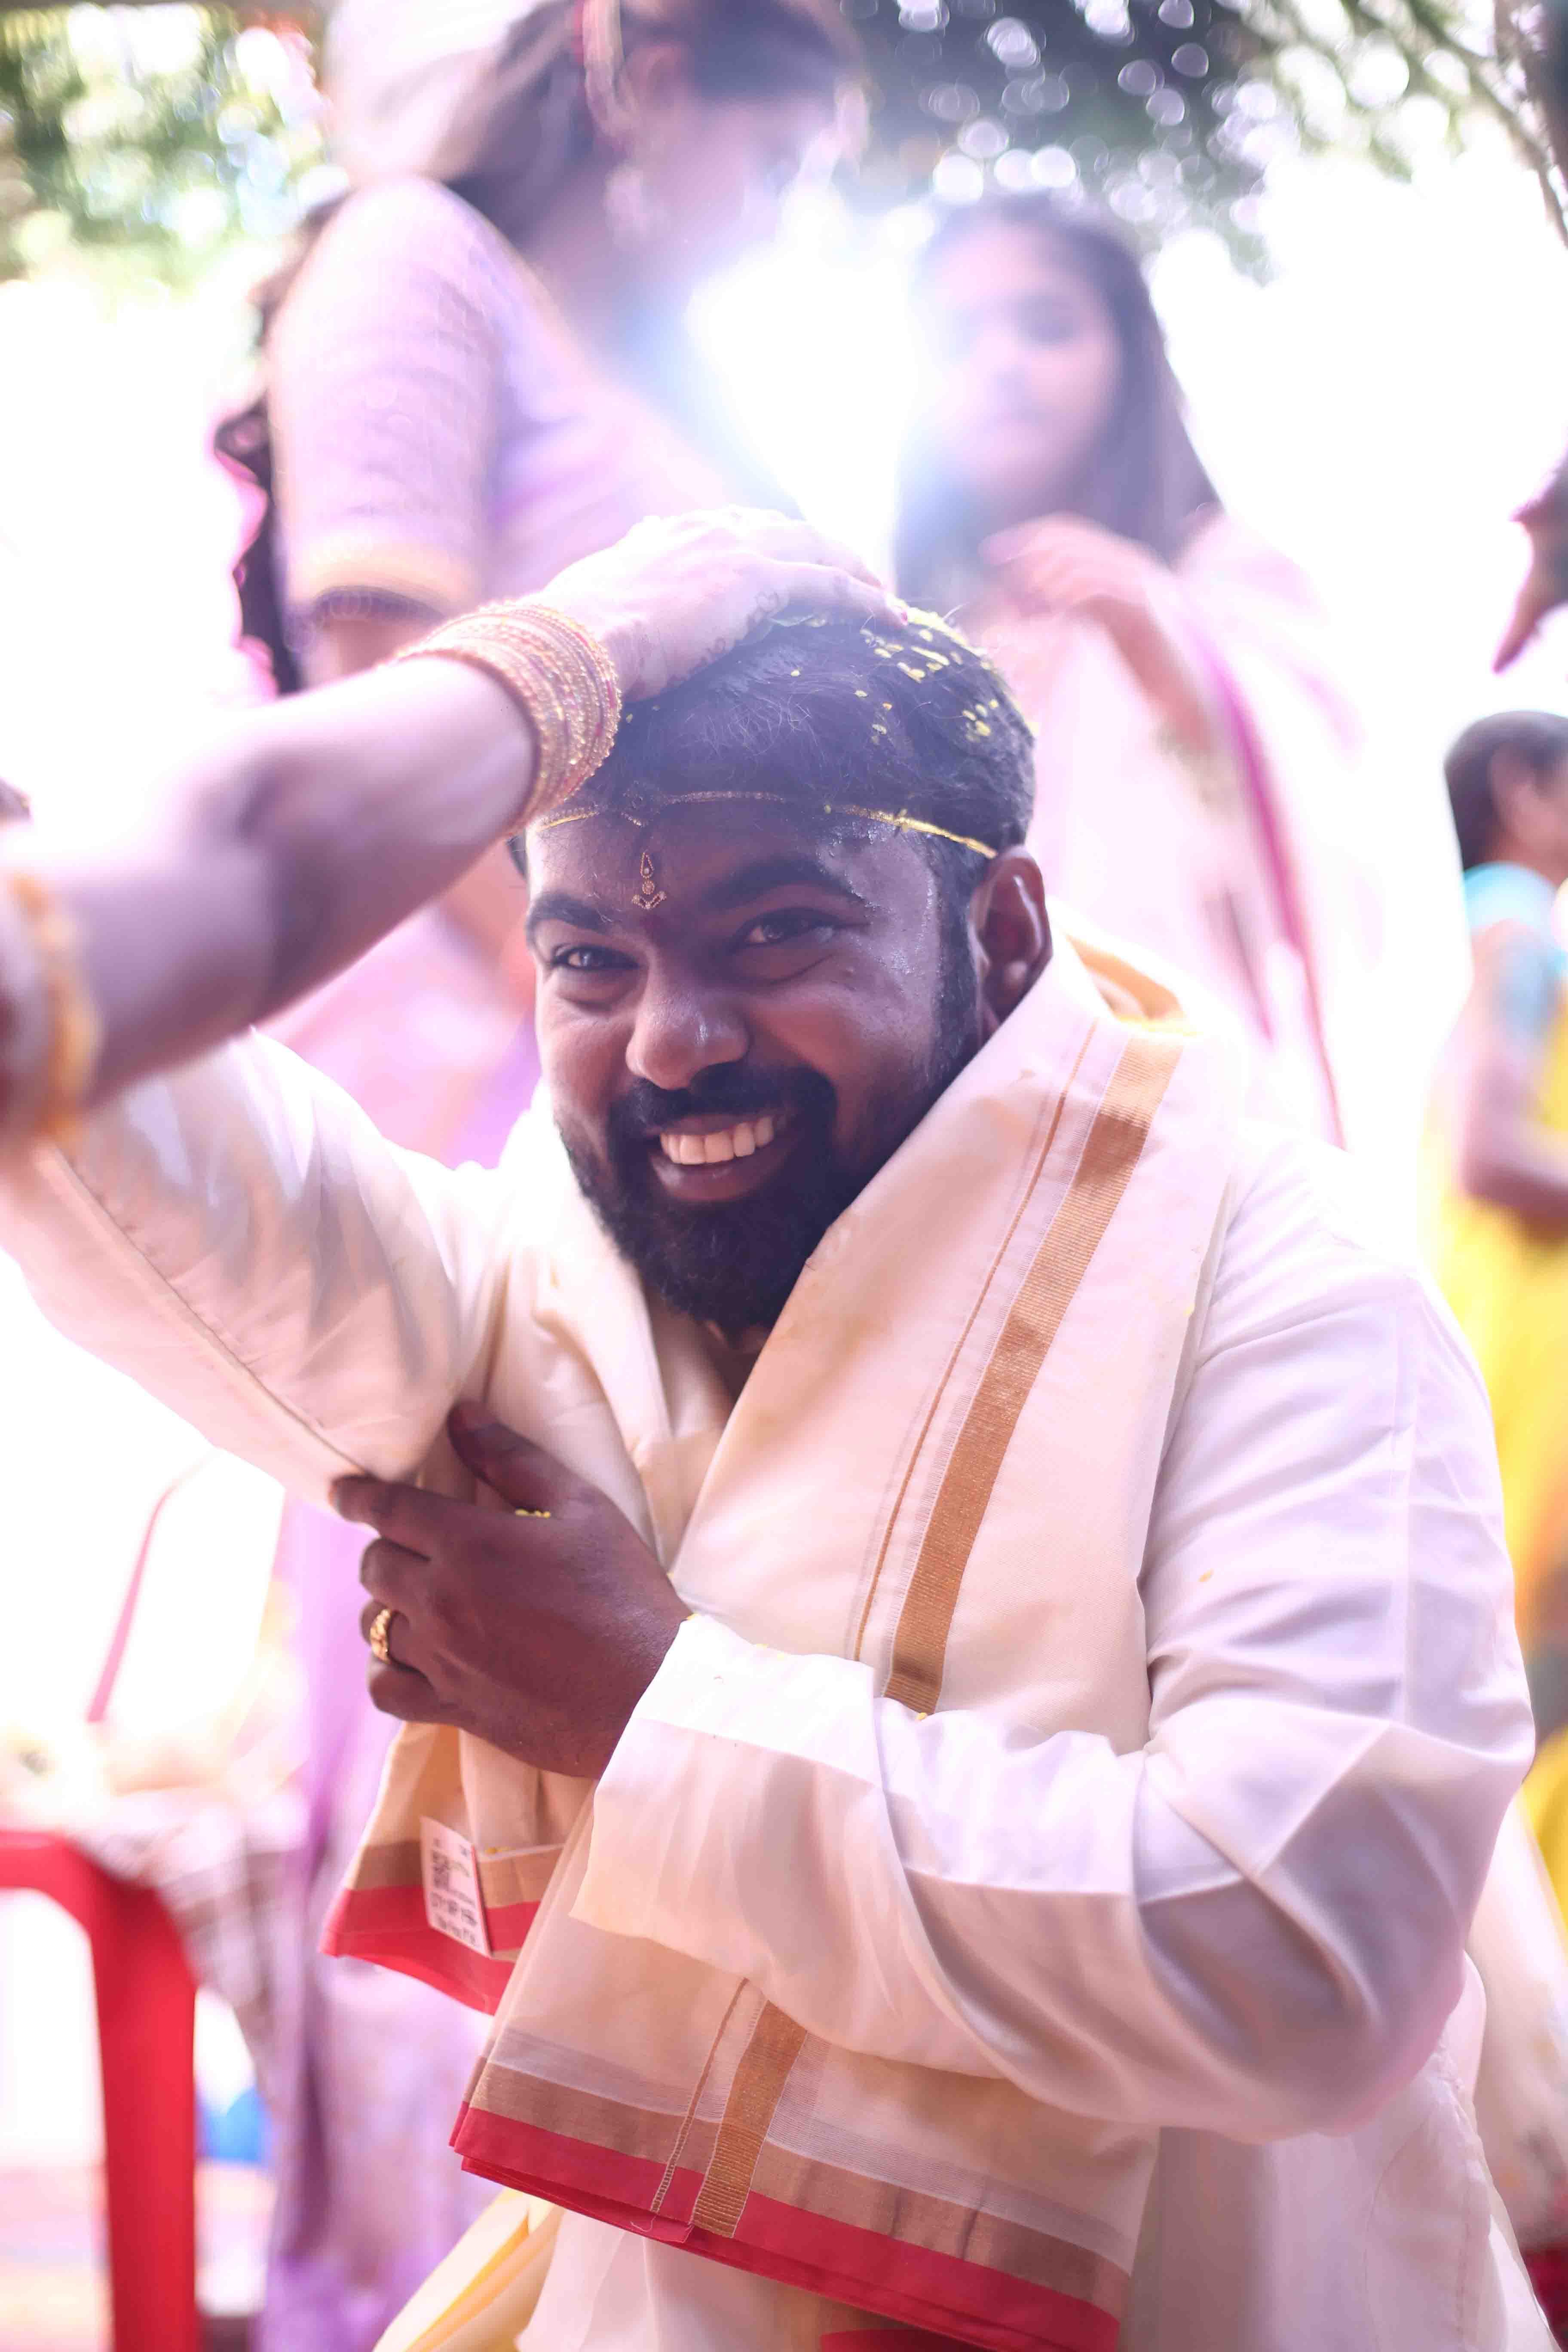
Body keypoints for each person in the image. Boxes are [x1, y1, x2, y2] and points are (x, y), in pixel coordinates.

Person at [0, 509, 1549, 2349]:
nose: (671, 1040)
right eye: (589, 963)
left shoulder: (1285, 1285)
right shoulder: (562, 1269)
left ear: (1003, 926)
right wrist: (556, 661)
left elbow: (1298, 1949)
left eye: (776, 933)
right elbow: (76, 1041)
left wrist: (650, 1713)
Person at [212, 5, 856, 2333]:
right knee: (456, 1701)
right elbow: (384, 684)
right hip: (468, 1098)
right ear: (639, 61)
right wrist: (630, 1039)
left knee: (658, 1706)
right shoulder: (418, 266)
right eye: (776, 161)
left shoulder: (682, 385)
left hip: (668, 1138)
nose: (782, 221)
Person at [895, 193, 1410, 1155]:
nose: (1001, 361)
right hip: (955, 1123)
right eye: (959, 339)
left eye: (1047, 325)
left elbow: (1328, 812)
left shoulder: (1220, 578)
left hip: (1185, 1106)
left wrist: (1157, 637)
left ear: (1129, 360)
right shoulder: (904, 632)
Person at [1427, 710, 1568, 1674]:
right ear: (1522, 785)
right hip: (1533, 1321)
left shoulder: (1477, 921)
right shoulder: (1516, 929)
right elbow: (1488, 1152)